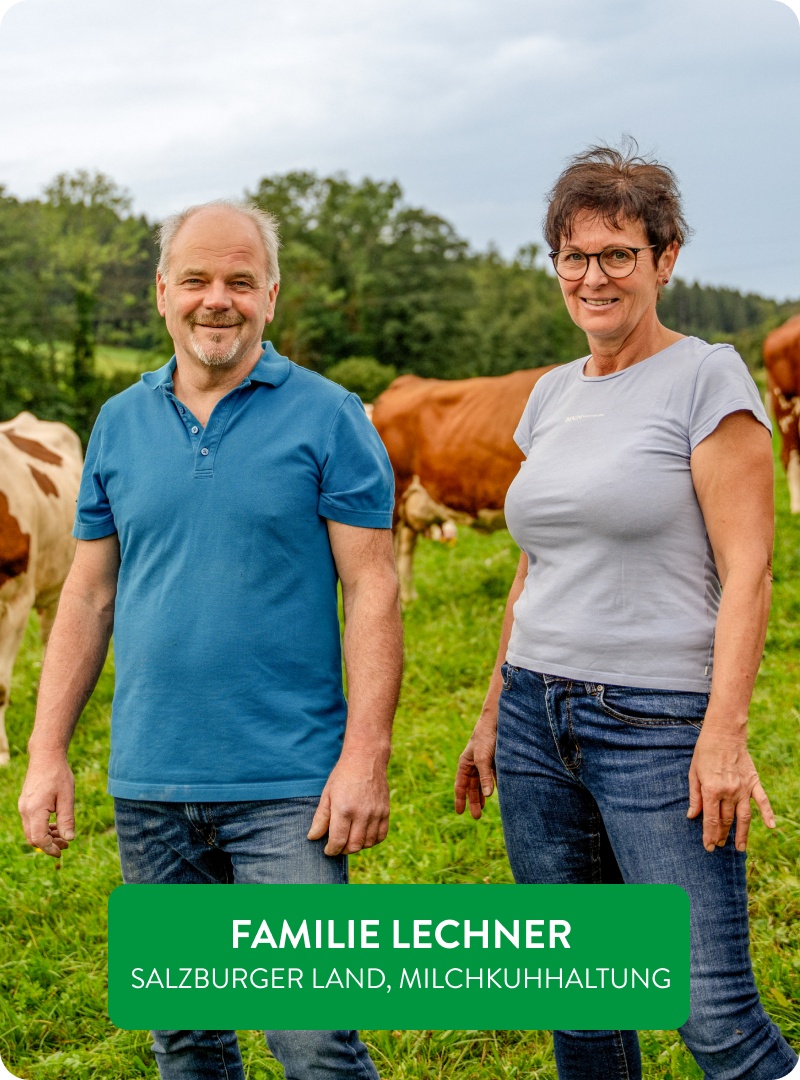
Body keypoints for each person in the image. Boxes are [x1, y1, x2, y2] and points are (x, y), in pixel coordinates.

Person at [18, 200, 403, 1080]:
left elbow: (372, 587)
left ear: (271, 293)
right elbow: (87, 594)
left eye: (238, 280)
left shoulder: (331, 415)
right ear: (163, 292)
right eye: (195, 279)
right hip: (150, 785)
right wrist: (48, 753)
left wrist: (365, 756)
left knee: (312, 1043)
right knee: (185, 1040)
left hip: (289, 788)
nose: (215, 300)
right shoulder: (118, 422)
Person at [454, 144, 798, 1080]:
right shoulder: (551, 395)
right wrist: (493, 713)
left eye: (617, 253)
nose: (593, 276)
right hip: (533, 717)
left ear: (665, 259)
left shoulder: (707, 380)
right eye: (575, 255)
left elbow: (751, 569)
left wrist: (723, 735)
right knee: (581, 998)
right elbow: (535, 567)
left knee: (714, 1016)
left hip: (652, 727)